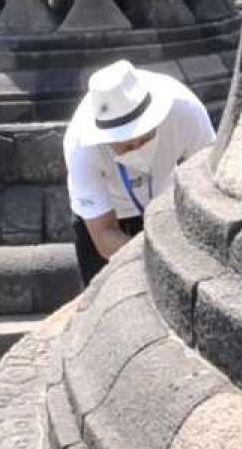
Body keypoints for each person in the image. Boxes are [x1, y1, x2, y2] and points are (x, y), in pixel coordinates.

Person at [63, 60, 215, 284]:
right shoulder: (81, 147)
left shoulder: (186, 111)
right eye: (125, 145)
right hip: (110, 216)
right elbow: (103, 234)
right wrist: (162, 258)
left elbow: (209, 182)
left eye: (145, 137)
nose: (137, 149)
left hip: (165, 205)